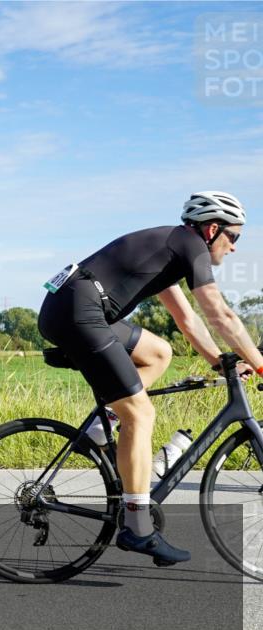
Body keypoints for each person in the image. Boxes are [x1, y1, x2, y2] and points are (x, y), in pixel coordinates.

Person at [37, 191, 263, 564]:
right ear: (211, 229)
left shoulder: (170, 250)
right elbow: (219, 314)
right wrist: (258, 364)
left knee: (159, 352)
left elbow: (187, 319)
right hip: (78, 313)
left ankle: (100, 426)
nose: (235, 248)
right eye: (234, 237)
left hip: (77, 308)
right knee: (140, 414)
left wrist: (218, 361)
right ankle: (138, 527)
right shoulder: (190, 246)